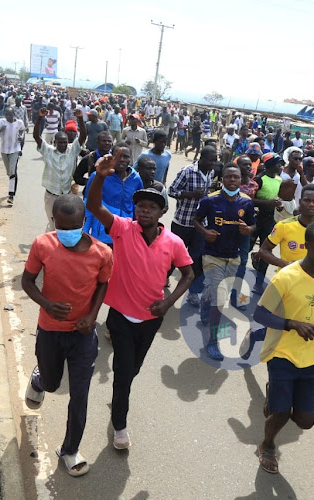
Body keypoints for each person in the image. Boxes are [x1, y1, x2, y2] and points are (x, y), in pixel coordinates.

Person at [86, 155, 194, 449]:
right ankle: (119, 425)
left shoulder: (174, 242)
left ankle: (119, 399)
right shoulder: (122, 228)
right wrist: (99, 176)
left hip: (150, 319)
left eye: (151, 207)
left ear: (161, 212)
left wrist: (168, 303)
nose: (144, 210)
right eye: (140, 206)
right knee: (123, 373)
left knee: (132, 370)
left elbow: (188, 273)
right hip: (120, 316)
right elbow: (94, 207)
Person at [22, 194, 112, 477]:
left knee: (80, 395)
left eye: (73, 227)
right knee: (51, 383)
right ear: (54, 222)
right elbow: (27, 280)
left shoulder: (102, 253)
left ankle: (70, 450)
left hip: (83, 336)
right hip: (50, 330)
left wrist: (92, 316)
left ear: (84, 222)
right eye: (61, 227)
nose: (67, 233)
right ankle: (39, 379)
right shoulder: (42, 245)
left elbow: (102, 286)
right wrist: (47, 304)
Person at [252, 220, 314, 474]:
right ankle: (267, 445)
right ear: (308, 246)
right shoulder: (286, 277)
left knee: (306, 421)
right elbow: (260, 314)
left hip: (312, 355)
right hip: (282, 352)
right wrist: (292, 324)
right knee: (280, 413)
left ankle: (275, 395)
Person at [238, 184, 314, 360]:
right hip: (286, 285)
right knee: (282, 324)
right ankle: (261, 343)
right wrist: (286, 265)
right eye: (307, 200)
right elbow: (263, 251)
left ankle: (258, 337)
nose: (311, 205)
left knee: (297, 325)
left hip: (313, 286)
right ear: (300, 202)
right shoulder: (285, 226)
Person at [193, 164, 256, 360]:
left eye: (235, 177)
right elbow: (196, 220)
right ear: (222, 180)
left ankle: (206, 299)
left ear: (240, 180)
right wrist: (204, 232)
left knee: (218, 294)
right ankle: (213, 342)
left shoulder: (246, 203)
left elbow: (253, 225)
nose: (232, 180)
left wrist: (249, 230)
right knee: (222, 301)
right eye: (228, 177)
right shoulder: (209, 200)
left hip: (234, 257)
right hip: (212, 256)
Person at [168, 145, 216, 306]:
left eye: (215, 161)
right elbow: (172, 190)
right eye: (210, 160)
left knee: (197, 259)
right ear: (201, 158)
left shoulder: (211, 173)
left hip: (200, 225)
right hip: (182, 222)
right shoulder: (187, 171)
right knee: (172, 258)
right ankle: (161, 280)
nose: (213, 164)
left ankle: (193, 292)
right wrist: (191, 194)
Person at [33, 107, 86, 232]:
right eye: (60, 142)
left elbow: (83, 136)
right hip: (51, 195)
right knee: (53, 224)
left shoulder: (72, 150)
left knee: (64, 223)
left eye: (65, 142)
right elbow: (36, 136)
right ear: (55, 142)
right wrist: (39, 118)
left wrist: (80, 119)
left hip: (66, 195)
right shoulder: (48, 150)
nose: (63, 145)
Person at [84, 143, 142, 245]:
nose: (122, 159)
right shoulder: (98, 176)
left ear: (131, 159)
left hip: (125, 236)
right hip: (101, 236)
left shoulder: (136, 179)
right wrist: (84, 234)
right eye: (119, 156)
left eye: (126, 157)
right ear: (112, 156)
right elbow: (88, 206)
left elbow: (137, 208)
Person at [250, 153, 284, 295]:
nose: (280, 167)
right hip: (256, 218)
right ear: (269, 165)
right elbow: (250, 199)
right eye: (277, 164)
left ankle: (258, 283)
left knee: (266, 250)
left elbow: (275, 197)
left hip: (270, 220)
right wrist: (267, 203)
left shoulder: (278, 180)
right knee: (247, 247)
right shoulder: (259, 179)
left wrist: (277, 205)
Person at [0, 106, 26, 204]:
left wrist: (21, 137)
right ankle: (12, 179)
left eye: (10, 114)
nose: (8, 117)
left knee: (12, 172)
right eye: (6, 114)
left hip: (15, 150)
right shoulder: (0, 122)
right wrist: (0, 130)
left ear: (14, 114)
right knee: (9, 172)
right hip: (4, 150)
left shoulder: (19, 123)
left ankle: (11, 195)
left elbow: (22, 130)